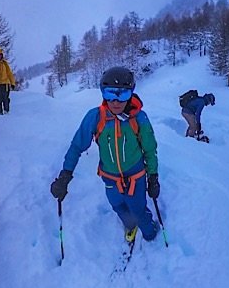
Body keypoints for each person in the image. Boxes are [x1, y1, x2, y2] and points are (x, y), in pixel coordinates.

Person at [50, 66, 159, 246]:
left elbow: (150, 149)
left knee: (138, 209)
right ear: (102, 93)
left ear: (131, 93)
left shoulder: (139, 118)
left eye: (122, 95)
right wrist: (65, 176)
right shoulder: (96, 117)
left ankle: (149, 232)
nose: (115, 102)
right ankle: (130, 225)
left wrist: (153, 177)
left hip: (135, 177)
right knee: (117, 205)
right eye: (109, 94)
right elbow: (77, 146)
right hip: (110, 178)